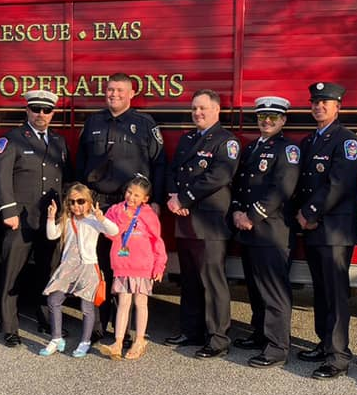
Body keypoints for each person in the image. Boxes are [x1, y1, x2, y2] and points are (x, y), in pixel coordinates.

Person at [76, 72, 166, 343]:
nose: (113, 94)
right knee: (97, 265)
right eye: (110, 89)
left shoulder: (144, 123)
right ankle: (97, 324)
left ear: (131, 93)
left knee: (123, 267)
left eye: (119, 90)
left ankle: (122, 328)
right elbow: (81, 163)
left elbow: (159, 164)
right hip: (98, 206)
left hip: (130, 209)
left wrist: (157, 201)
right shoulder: (93, 122)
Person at [164, 89, 240, 359]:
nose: (198, 113)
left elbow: (218, 176)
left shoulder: (225, 141)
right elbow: (173, 170)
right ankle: (191, 330)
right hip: (185, 220)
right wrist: (174, 198)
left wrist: (184, 199)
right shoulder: (187, 140)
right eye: (195, 108)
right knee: (190, 280)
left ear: (216, 110)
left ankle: (217, 338)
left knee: (211, 281)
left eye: (203, 108)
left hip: (209, 223)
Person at [0, 89, 72, 348]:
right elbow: (1, 177)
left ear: (52, 113)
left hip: (49, 220)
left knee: (48, 272)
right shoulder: (12, 139)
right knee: (12, 273)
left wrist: (64, 214)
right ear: (27, 110)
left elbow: (63, 180)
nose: (41, 114)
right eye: (35, 109)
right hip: (21, 219)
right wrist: (8, 212)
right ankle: (9, 327)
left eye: (46, 110)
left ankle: (46, 318)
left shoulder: (59, 142)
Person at [294, 82, 357, 379]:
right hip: (314, 229)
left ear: (338, 107)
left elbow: (338, 184)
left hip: (334, 230)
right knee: (320, 291)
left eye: (325, 102)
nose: (318, 106)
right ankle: (325, 344)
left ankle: (338, 357)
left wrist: (308, 213)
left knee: (335, 294)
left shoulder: (346, 141)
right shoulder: (310, 142)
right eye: (315, 101)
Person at [230, 96, 301, 369]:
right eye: (262, 117)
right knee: (256, 288)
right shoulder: (252, 149)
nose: (267, 121)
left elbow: (283, 189)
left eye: (273, 117)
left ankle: (277, 346)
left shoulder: (288, 150)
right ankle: (259, 333)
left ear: (283, 120)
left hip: (271, 231)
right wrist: (237, 211)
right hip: (249, 230)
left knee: (274, 292)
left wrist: (251, 216)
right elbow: (239, 185)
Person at [39, 184, 119, 358]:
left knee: (86, 306)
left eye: (80, 201)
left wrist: (101, 218)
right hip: (68, 267)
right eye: (72, 202)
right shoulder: (67, 220)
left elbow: (114, 231)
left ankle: (85, 341)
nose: (76, 205)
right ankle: (56, 338)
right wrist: (51, 217)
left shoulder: (93, 220)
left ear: (89, 202)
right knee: (53, 300)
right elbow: (52, 235)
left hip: (88, 267)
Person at [98, 175, 167, 360]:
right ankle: (118, 341)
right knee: (123, 303)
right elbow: (110, 234)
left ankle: (139, 340)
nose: (131, 197)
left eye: (137, 195)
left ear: (145, 198)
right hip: (123, 265)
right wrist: (122, 218)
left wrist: (159, 265)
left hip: (143, 266)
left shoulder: (148, 214)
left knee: (141, 303)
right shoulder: (115, 210)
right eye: (129, 192)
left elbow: (157, 241)